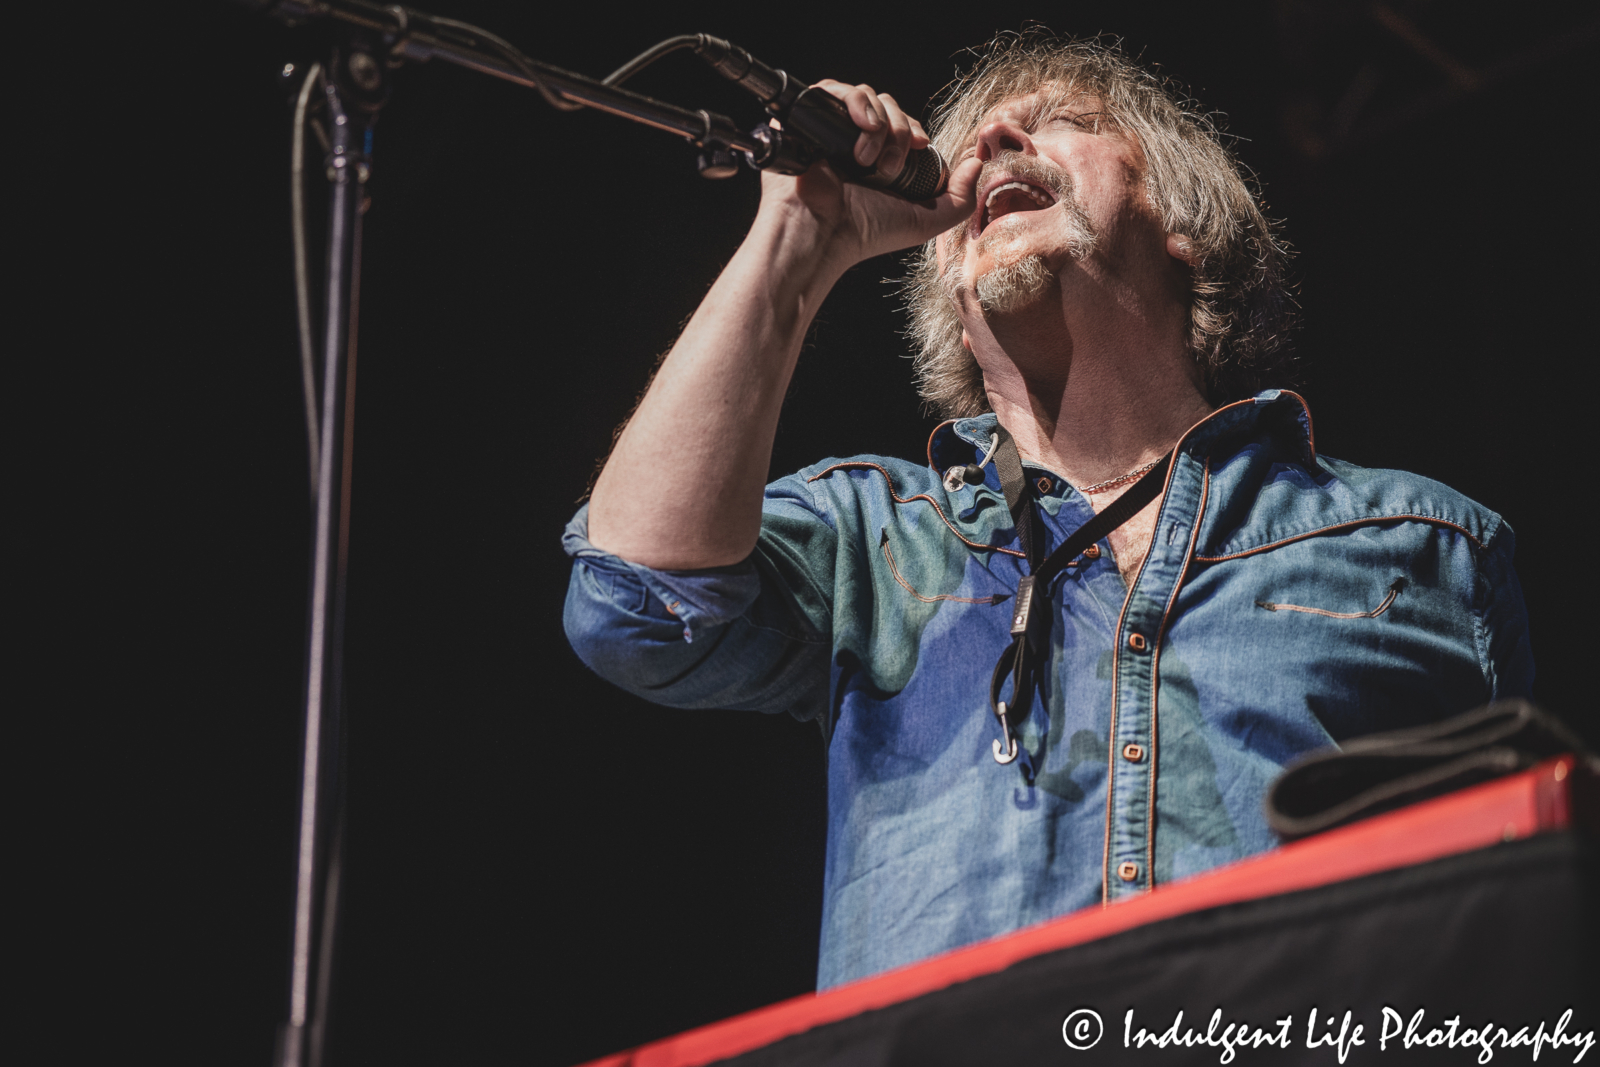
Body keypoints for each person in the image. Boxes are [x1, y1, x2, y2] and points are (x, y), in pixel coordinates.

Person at [561, 34, 1533, 990]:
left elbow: (1500, 932)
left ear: (1181, 219)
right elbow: (632, 607)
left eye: (1060, 123)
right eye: (970, 143)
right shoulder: (878, 535)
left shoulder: (1420, 546)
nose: (991, 143)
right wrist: (797, 238)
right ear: (943, 273)